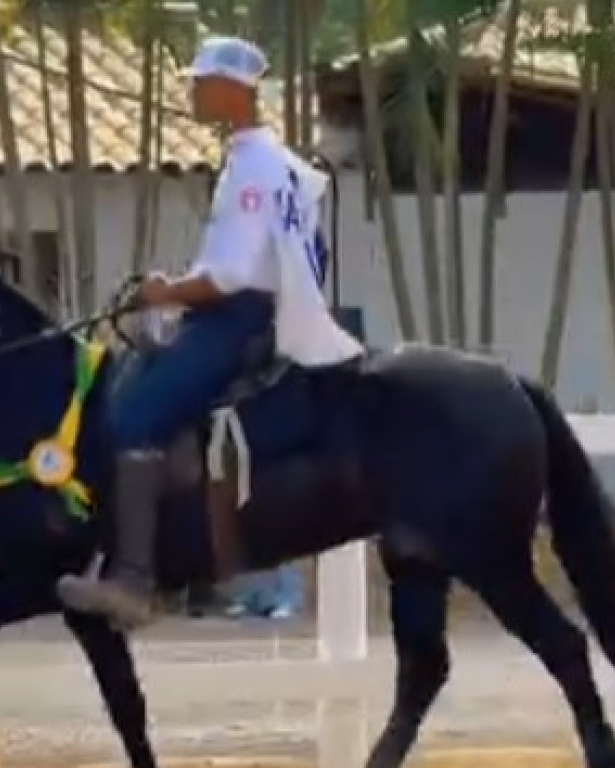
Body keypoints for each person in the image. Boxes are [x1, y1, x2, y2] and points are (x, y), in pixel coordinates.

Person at [57, 36, 365, 629]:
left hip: (238, 317)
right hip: (252, 310)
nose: (194, 93)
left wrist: (167, 292)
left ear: (232, 89)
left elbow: (229, 276)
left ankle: (134, 581)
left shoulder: (253, 168)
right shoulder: (276, 164)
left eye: (201, 83)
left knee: (134, 416)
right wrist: (174, 284)